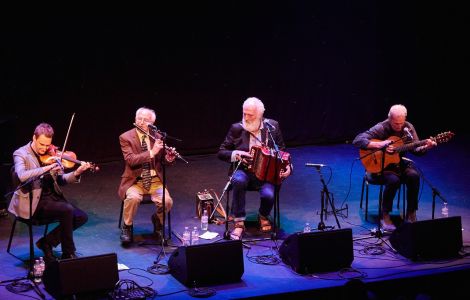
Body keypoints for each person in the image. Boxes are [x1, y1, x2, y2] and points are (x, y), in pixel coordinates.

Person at [8, 123, 92, 263]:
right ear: (34, 138)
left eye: (48, 145)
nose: (45, 149)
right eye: (41, 144)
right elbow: (22, 175)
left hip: (52, 199)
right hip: (32, 203)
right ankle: (68, 254)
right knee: (67, 210)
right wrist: (47, 168)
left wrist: (77, 173)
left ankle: (47, 243)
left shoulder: (51, 154)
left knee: (81, 217)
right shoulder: (21, 153)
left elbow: (61, 180)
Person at [353, 104, 437, 231]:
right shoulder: (381, 127)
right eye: (395, 123)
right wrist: (380, 144)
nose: (398, 126)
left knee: (414, 176)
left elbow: (416, 150)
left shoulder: (408, 127)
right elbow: (358, 140)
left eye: (401, 123)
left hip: (398, 163)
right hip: (380, 167)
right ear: (389, 118)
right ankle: (385, 215)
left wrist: (426, 147)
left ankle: (411, 213)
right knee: (394, 180)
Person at [218, 97, 292, 240]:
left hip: (266, 173)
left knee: (268, 195)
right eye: (244, 113)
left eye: (250, 115)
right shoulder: (237, 128)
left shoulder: (273, 127)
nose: (246, 117)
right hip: (243, 170)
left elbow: (282, 150)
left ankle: (263, 215)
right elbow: (221, 152)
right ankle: (239, 222)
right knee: (238, 180)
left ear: (259, 115)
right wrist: (236, 154)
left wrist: (289, 167)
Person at [118, 107, 176, 244]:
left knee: (167, 201)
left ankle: (157, 220)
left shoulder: (157, 137)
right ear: (135, 119)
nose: (141, 122)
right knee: (132, 198)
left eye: (146, 120)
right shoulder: (125, 137)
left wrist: (169, 158)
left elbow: (162, 162)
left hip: (155, 181)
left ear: (152, 123)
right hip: (135, 181)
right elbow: (131, 160)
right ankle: (127, 226)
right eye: (139, 118)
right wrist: (152, 152)